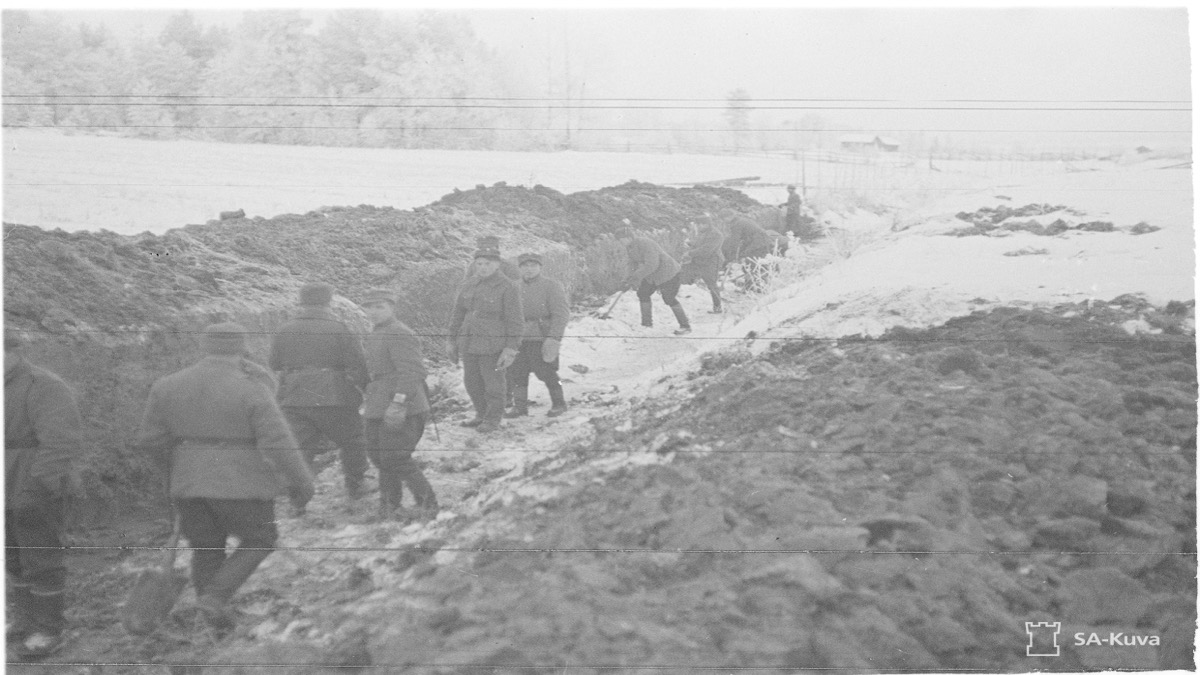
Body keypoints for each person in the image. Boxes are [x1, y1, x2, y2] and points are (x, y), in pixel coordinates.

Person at [135, 323, 315, 633]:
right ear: (242, 348)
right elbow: (277, 441)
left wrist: (176, 473)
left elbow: (151, 441)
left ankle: (214, 622)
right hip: (241, 484)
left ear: (204, 347)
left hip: (188, 484)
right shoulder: (252, 387)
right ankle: (215, 599)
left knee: (206, 547)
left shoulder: (166, 385)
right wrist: (302, 482)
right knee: (261, 539)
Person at [5, 329, 83, 659]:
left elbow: (61, 442)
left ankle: (49, 629)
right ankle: (23, 620)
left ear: (15, 351)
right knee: (12, 557)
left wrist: (37, 486)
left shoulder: (44, 385)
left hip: (31, 482)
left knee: (41, 557)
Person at [268, 282, 370, 502]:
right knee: (353, 440)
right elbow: (357, 364)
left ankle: (297, 500)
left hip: (294, 396)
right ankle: (356, 487)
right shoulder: (339, 328)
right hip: (334, 396)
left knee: (300, 449)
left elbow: (274, 363)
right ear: (328, 302)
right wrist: (365, 390)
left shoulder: (285, 329)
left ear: (301, 302)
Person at [360, 289, 438, 520]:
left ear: (392, 308)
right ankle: (389, 504)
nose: (373, 312)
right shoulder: (377, 333)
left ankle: (428, 504)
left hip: (403, 406)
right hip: (378, 403)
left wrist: (399, 401)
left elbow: (413, 371)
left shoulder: (399, 333)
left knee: (396, 457)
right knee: (378, 456)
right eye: (369, 307)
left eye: (380, 307)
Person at [447, 239, 523, 433]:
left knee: (494, 384)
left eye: (488, 263)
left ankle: (493, 419)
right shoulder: (469, 283)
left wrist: (510, 348)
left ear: (497, 264)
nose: (482, 268)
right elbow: (458, 313)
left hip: (493, 343)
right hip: (469, 340)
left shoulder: (508, 287)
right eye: (479, 264)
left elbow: (515, 321)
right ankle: (481, 414)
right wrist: (451, 340)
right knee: (471, 382)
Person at [504, 253, 570, 419]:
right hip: (518, 337)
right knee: (517, 372)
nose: (529, 269)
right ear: (519, 268)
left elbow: (561, 314)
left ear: (540, 267)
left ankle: (559, 402)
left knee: (546, 371)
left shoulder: (551, 285)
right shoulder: (513, 287)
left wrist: (554, 337)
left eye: (533, 265)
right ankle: (520, 407)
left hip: (541, 336)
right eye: (525, 266)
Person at [618, 229, 691, 335]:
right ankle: (646, 324)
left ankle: (685, 326)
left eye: (622, 240)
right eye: (619, 241)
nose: (621, 243)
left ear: (629, 237)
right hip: (652, 275)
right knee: (643, 293)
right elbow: (631, 264)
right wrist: (625, 280)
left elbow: (652, 264)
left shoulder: (645, 243)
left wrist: (635, 277)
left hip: (668, 273)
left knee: (669, 298)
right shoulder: (630, 248)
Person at [679, 218, 726, 314]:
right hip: (699, 260)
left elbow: (706, 249)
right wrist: (690, 244)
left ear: (708, 224)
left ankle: (717, 308)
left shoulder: (716, 234)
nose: (699, 226)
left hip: (711, 262)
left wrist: (690, 253)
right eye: (698, 224)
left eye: (702, 224)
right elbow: (699, 245)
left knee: (711, 284)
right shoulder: (702, 232)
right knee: (682, 276)